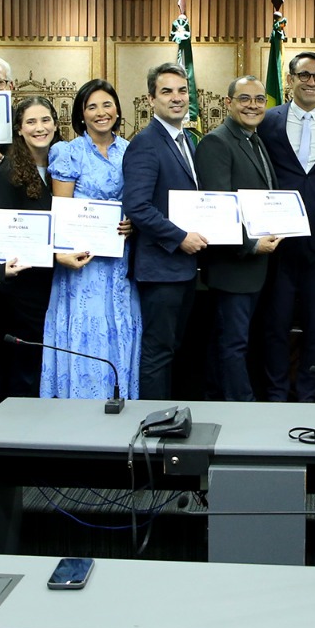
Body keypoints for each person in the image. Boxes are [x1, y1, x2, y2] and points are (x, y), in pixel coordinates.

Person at [43, 79, 140, 400]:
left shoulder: (131, 150)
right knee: (86, 327)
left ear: (118, 110)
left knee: (119, 324)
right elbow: (61, 212)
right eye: (92, 106)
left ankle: (121, 400)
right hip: (82, 262)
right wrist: (62, 252)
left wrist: (134, 223)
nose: (101, 112)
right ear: (81, 115)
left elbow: (139, 202)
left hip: (121, 259)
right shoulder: (68, 152)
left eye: (107, 104)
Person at [257, 52, 315, 402]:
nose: (311, 81)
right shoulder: (267, 121)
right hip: (277, 243)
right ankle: (276, 394)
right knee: (275, 326)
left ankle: (310, 395)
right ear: (290, 79)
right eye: (304, 75)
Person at [122, 62, 206, 400]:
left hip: (183, 269)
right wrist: (180, 238)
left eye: (182, 91)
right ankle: (152, 422)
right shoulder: (146, 143)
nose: (177, 98)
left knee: (174, 350)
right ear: (151, 99)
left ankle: (170, 418)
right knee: (158, 352)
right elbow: (137, 206)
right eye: (167, 91)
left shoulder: (187, 140)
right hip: (160, 269)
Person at [195, 76, 281, 401]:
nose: (253, 106)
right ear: (228, 102)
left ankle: (217, 402)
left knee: (229, 343)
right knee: (233, 344)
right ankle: (241, 408)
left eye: (259, 100)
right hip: (233, 266)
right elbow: (217, 212)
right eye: (244, 99)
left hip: (254, 269)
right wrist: (251, 244)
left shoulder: (254, 139)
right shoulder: (217, 142)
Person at [0, 96, 61, 397]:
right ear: (19, 129)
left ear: (56, 123)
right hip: (26, 288)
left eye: (45, 120)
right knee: (28, 364)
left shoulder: (63, 164)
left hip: (59, 280)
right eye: (31, 122)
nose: (40, 128)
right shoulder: (8, 173)